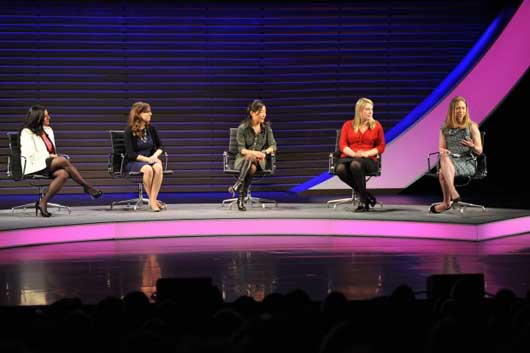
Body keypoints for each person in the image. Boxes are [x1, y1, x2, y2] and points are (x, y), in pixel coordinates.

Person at [20, 105, 103, 217]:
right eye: (45, 116)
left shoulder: (48, 130)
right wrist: (52, 156)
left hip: (46, 164)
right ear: (38, 118)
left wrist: (54, 156)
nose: (49, 118)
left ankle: (43, 202)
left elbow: (51, 151)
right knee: (63, 161)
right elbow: (30, 154)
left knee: (63, 174)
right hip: (34, 164)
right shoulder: (26, 132)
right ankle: (87, 187)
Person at [430, 96, 483, 213]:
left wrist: (472, 146)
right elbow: (441, 147)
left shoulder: (472, 126)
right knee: (443, 156)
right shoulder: (445, 127)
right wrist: (444, 151)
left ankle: (446, 202)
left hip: (467, 161)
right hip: (449, 160)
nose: (461, 111)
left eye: (463, 108)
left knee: (442, 172)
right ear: (452, 110)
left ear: (466, 110)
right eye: (458, 108)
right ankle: (452, 194)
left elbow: (480, 151)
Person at [336, 97, 385, 212]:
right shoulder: (348, 125)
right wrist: (354, 154)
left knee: (355, 165)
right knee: (340, 169)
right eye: (367, 109)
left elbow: (381, 147)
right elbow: (342, 146)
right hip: (350, 156)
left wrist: (366, 154)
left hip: (368, 159)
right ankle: (366, 195)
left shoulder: (376, 125)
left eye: (371, 109)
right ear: (359, 111)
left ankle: (363, 201)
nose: (370, 112)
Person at [228, 99, 277, 211]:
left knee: (253, 163)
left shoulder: (266, 129)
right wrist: (255, 153)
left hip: (260, 160)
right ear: (252, 113)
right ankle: (241, 197)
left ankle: (237, 186)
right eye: (260, 112)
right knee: (251, 166)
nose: (263, 115)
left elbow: (273, 146)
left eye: (264, 112)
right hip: (243, 160)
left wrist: (264, 152)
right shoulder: (242, 128)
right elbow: (242, 150)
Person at [124, 101, 166, 212]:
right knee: (148, 169)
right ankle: (153, 201)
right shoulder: (129, 131)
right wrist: (148, 160)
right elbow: (131, 154)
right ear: (139, 114)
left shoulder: (151, 129)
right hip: (134, 162)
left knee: (158, 166)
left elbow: (161, 146)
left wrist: (155, 156)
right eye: (148, 112)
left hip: (149, 159)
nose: (151, 114)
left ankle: (152, 200)